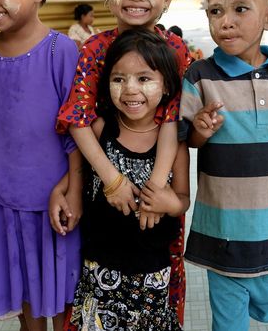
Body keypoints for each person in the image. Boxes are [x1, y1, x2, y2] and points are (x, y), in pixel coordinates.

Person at [56, 0, 191, 324]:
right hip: (104, 196)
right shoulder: (94, 49)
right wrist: (112, 179)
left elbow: (174, 119)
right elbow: (78, 119)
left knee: (157, 295)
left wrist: (156, 189)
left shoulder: (177, 50)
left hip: (157, 201)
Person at [180, 0, 268, 331]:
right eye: (215, 11)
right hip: (224, 229)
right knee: (229, 323)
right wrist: (201, 129)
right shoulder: (200, 76)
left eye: (240, 9)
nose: (225, 21)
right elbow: (187, 140)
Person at [0, 0, 82, 328]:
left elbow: (76, 130)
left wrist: (73, 190)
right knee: (25, 299)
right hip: (5, 200)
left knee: (63, 300)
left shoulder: (60, 51)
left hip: (56, 203)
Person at [69, 29, 189, 330]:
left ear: (166, 87)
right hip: (100, 269)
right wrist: (110, 181)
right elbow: (75, 125)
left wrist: (168, 200)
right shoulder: (101, 129)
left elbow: (183, 200)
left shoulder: (174, 144)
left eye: (144, 79)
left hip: (153, 272)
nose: (129, 89)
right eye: (118, 79)